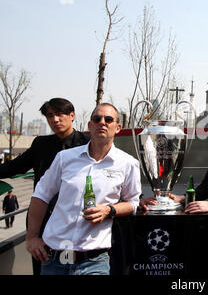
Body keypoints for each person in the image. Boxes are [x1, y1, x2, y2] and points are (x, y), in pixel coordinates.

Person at [25, 103, 141, 275]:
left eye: (108, 119)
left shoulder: (128, 164)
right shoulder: (65, 158)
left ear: (117, 128)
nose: (102, 122)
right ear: (89, 125)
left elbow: (133, 202)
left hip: (94, 262)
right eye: (97, 118)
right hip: (54, 261)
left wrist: (109, 210)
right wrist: (32, 237)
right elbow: (41, 195)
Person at [0, 98, 90, 274]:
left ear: (72, 115)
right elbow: (13, 167)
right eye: (50, 115)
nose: (55, 119)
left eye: (59, 114)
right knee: (42, 268)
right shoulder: (41, 144)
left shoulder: (88, 143)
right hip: (43, 223)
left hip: (76, 223)